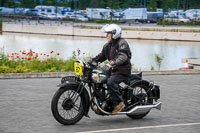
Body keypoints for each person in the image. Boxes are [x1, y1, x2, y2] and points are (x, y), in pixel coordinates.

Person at [91, 24, 132, 114]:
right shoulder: (108, 46)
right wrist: (91, 61)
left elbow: (123, 57)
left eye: (108, 33)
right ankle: (105, 100)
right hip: (113, 70)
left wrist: (112, 63)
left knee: (111, 82)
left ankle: (119, 103)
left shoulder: (122, 43)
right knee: (100, 78)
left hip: (122, 70)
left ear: (114, 33)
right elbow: (101, 56)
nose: (106, 35)